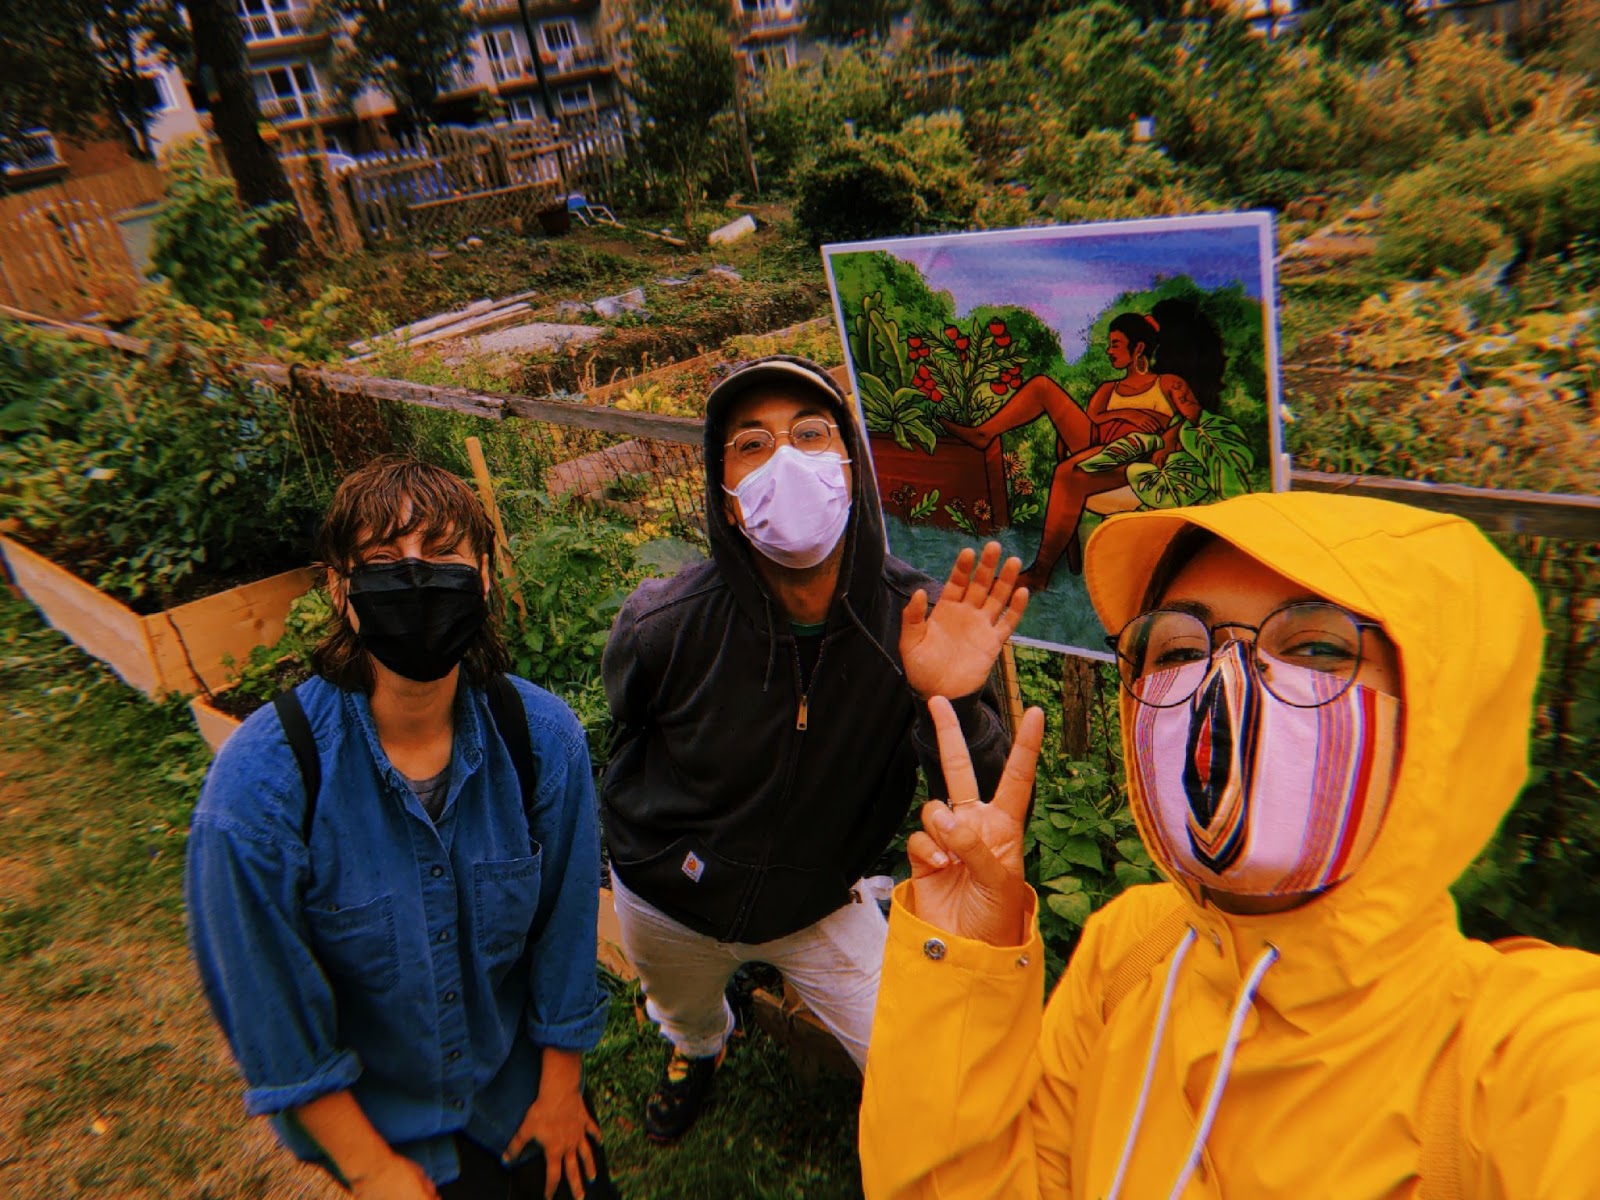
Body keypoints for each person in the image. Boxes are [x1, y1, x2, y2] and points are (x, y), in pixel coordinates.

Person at [859, 491, 1600, 1198]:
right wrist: (964, 968)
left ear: (1440, 715)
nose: (1225, 684)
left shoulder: (1520, 1060)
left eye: (1312, 646)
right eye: (1180, 648)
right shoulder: (1131, 951)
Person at [601, 354, 1024, 1143]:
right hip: (667, 897)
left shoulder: (916, 622)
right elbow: (630, 723)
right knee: (680, 1005)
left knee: (923, 1083)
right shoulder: (662, 623)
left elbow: (986, 806)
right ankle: (700, 1044)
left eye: (810, 434)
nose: (786, 461)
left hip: (819, 904)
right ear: (726, 498)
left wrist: (954, 698)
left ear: (851, 472)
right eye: (752, 445)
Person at [186, 458, 615, 1200]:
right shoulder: (259, 790)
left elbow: (568, 934)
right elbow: (272, 1011)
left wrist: (559, 1091)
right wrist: (371, 1169)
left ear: (483, 576)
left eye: (442, 555)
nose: (415, 578)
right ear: (338, 590)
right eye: (383, 562)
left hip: (522, 1101)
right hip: (382, 1134)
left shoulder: (543, 741)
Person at [942, 302, 1220, 590]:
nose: (1110, 351)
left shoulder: (1168, 384)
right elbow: (1094, 420)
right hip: (1101, 446)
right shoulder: (1107, 390)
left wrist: (1170, 435)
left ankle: (1039, 573)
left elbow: (1197, 419)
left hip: (1137, 459)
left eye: (1116, 344)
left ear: (1138, 349)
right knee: (1041, 386)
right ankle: (984, 434)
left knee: (1068, 473)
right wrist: (1127, 413)